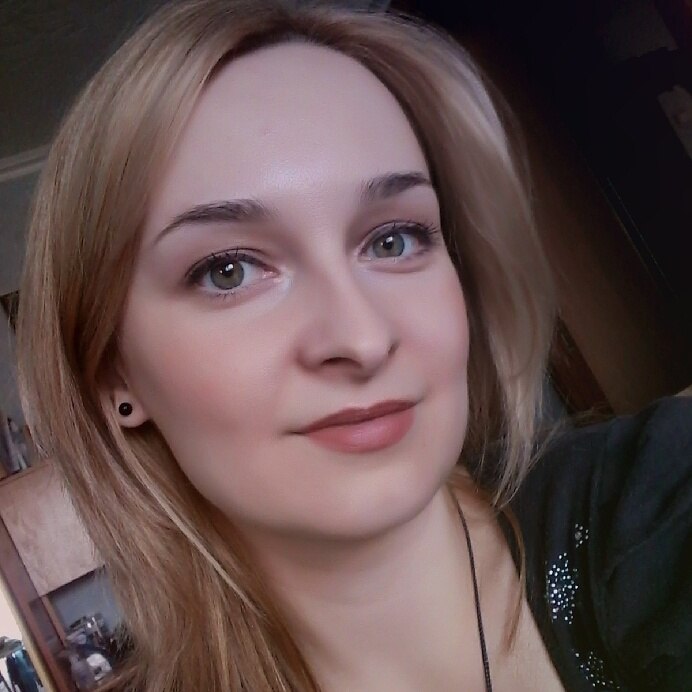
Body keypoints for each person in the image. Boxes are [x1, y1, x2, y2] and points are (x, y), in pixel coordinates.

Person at [14, 1, 690, 690]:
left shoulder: (659, 505)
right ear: (115, 376)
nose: (363, 339)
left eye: (393, 239)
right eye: (229, 271)